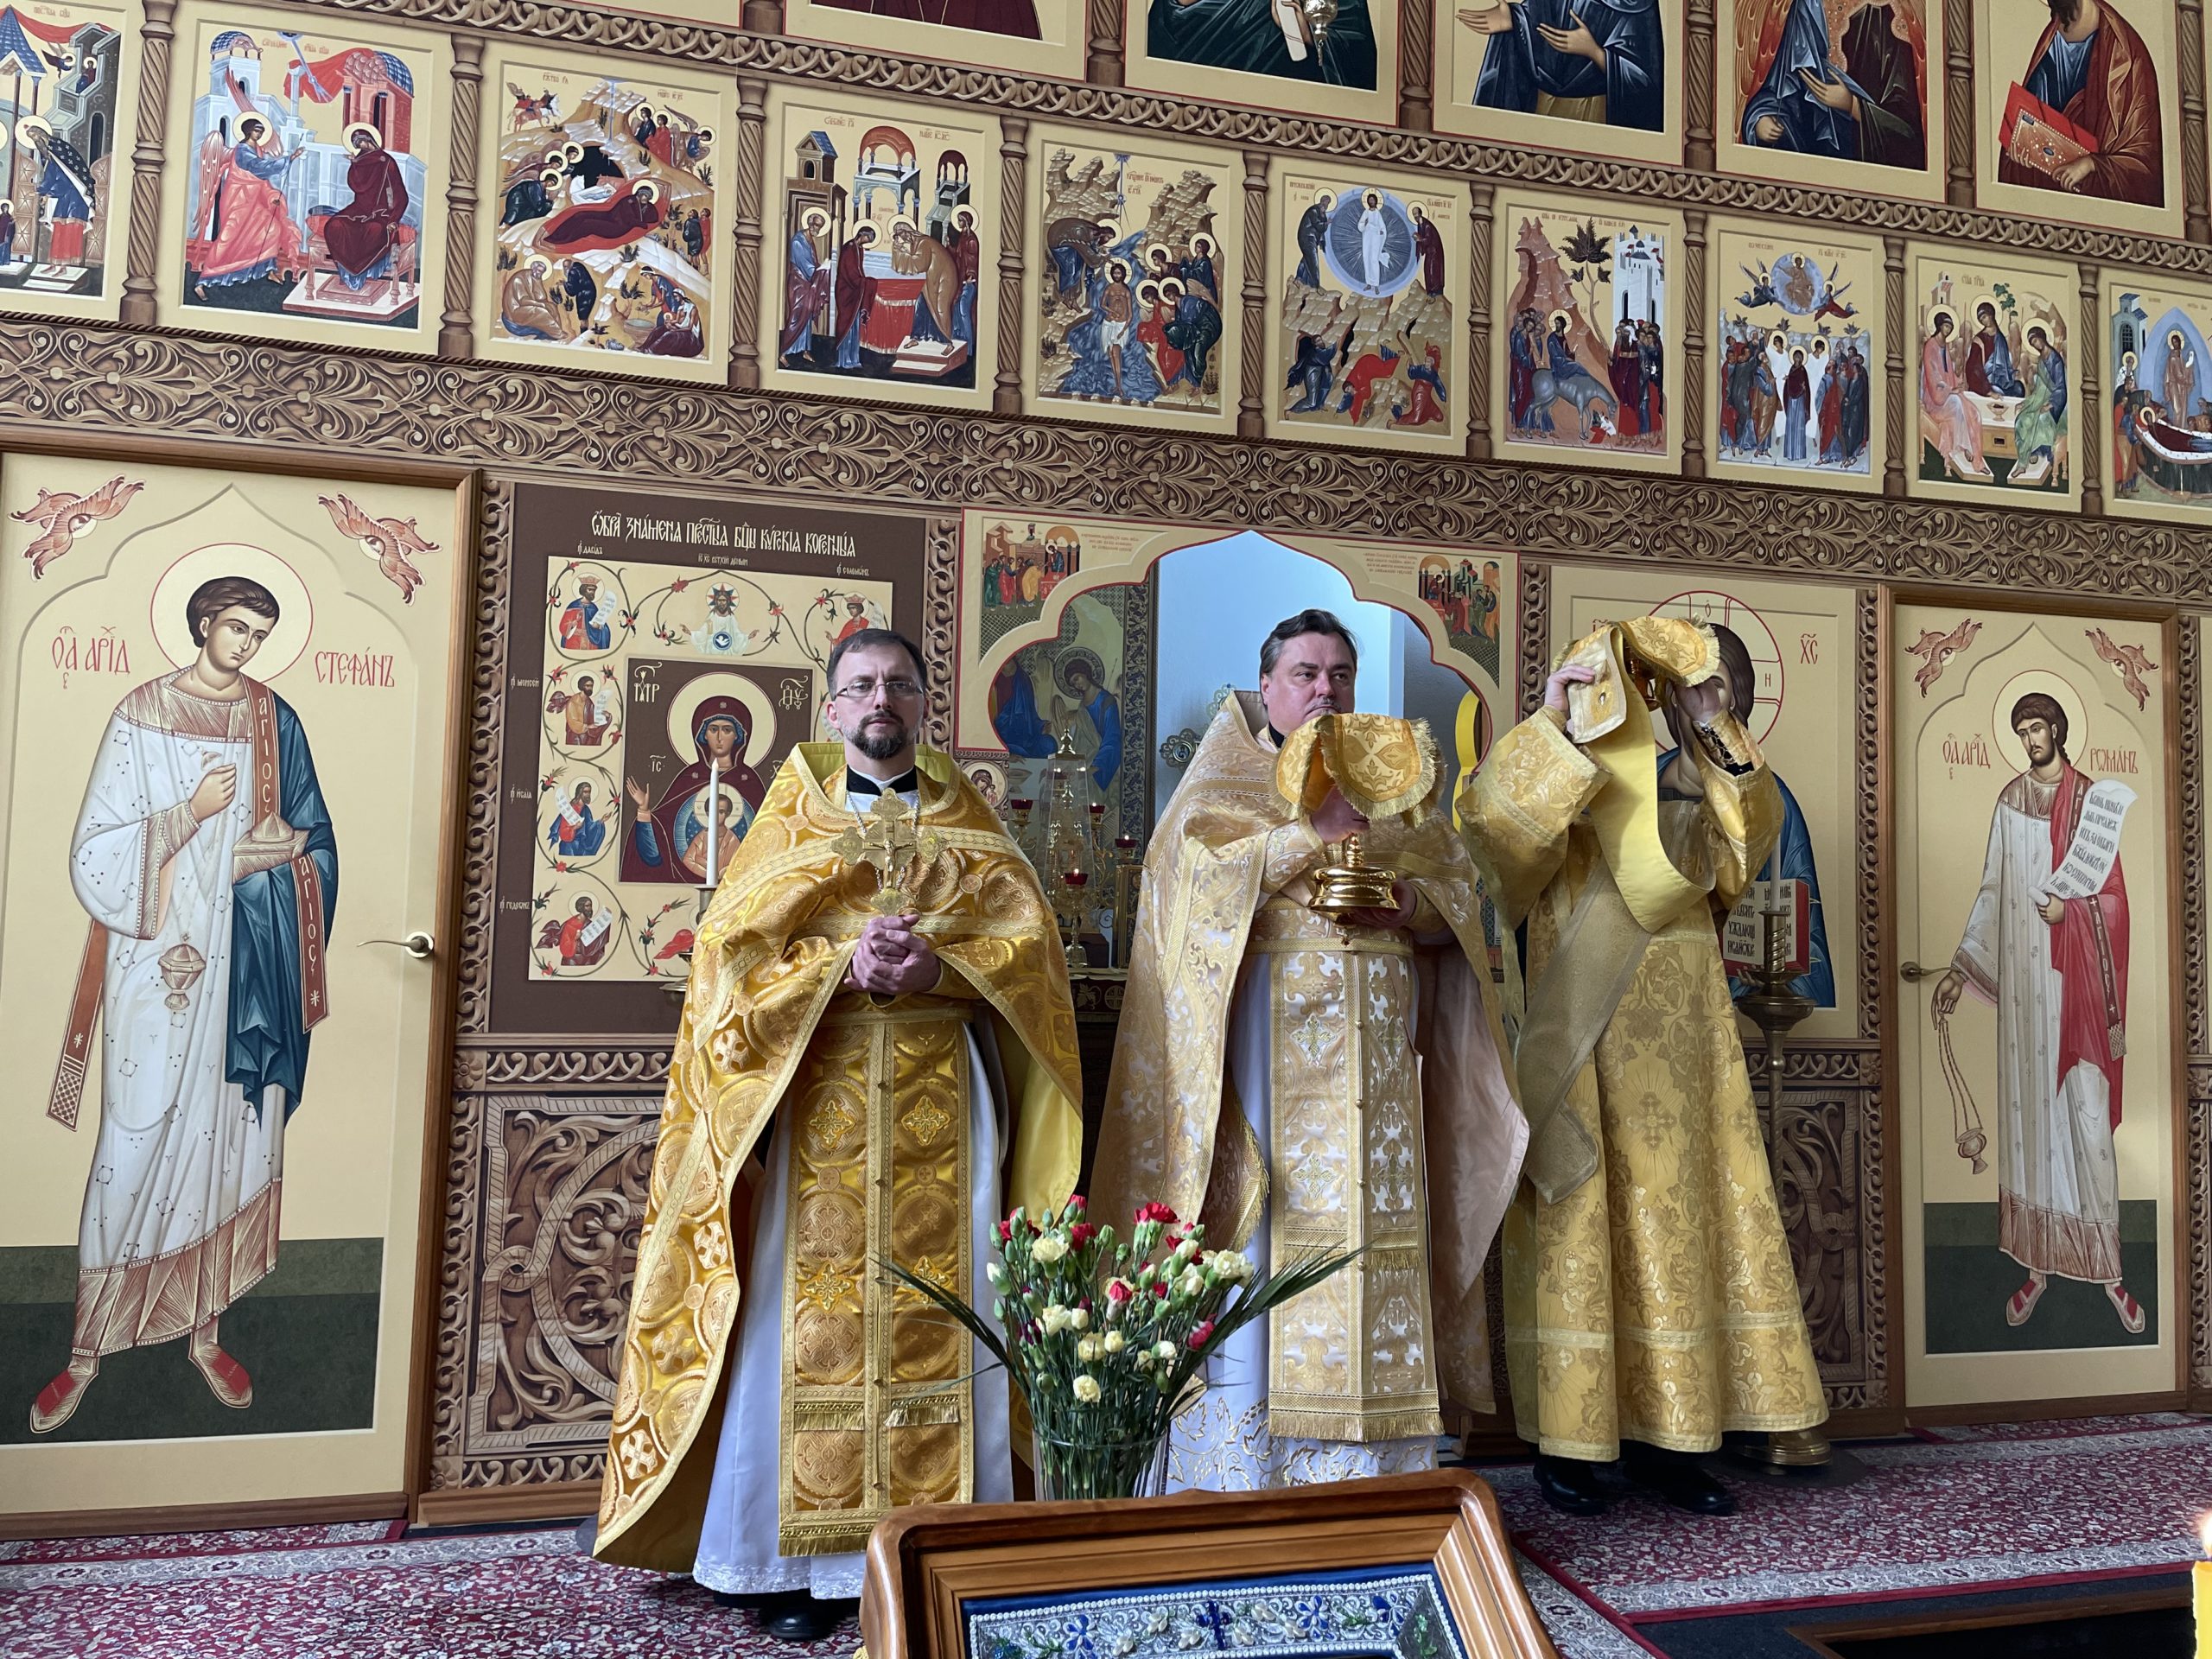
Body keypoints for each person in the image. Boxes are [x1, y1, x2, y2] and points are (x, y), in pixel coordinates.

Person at [593, 629, 1081, 1642]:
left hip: (947, 1094)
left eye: (898, 684)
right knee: (802, 1326)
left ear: (923, 705)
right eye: (860, 686)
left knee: (954, 1314)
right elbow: (730, 968)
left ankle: (944, 1552)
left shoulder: (970, 825)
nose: (880, 700)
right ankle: (797, 1568)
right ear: (832, 709)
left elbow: (1030, 956)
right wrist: (837, 967)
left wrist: (939, 968)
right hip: (821, 1099)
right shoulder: (788, 825)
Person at [1095, 609, 1529, 1491]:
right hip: (1266, 1077)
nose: (1325, 688)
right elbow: (1187, 893)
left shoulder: (1395, 786)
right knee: (1268, 1239)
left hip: (1381, 1081)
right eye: (1305, 673)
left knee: (1374, 1244)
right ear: (1266, 688)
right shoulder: (1223, 781)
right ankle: (1252, 1472)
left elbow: (1457, 898)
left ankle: (1374, 1470)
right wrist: (1310, 834)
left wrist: (1407, 907)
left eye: (1339, 673)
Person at [1459, 615, 1826, 1517]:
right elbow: (1495, 846)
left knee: (1677, 1230)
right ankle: (1571, 1446)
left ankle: (1674, 1441)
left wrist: (1709, 720)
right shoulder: (1554, 778)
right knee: (1581, 1221)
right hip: (1579, 1041)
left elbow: (1750, 849)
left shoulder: (1691, 782)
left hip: (1686, 1047)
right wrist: (1552, 721)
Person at [31, 577, 337, 1433]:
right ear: (203, 624)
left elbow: (314, 839)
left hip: (244, 973)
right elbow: (96, 852)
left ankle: (205, 1333)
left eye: (260, 634)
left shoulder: (275, 719)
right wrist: (189, 817)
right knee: (132, 1139)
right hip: (153, 964)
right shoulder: (140, 714)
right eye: (236, 627)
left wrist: (275, 858)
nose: (247, 645)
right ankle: (86, 1351)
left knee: (225, 1147)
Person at [1932, 693, 2142, 1334]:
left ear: (2057, 729)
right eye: (2021, 731)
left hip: (2075, 992)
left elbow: (2114, 900)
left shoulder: (2088, 803)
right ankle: (2036, 1268)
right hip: (2026, 997)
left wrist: (2069, 913)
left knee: (2087, 1119)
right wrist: (1959, 969)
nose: (2030, 740)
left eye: (2038, 728)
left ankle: (2110, 1272)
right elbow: (1992, 889)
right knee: (2030, 1128)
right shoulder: (2009, 801)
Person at [1996, 0, 2162, 208]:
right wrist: (2020, 154)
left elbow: (2143, 161)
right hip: (2049, 202)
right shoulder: (2050, 42)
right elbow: (2029, 126)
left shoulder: (2126, 55)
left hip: (2096, 210)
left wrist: (2091, 164)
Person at [1739, 0, 1926, 170]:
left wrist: (1852, 105)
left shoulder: (1883, 15)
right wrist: (1761, 118)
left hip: (1859, 175)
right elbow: (1781, 88)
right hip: (1804, 170)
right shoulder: (1804, 8)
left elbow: (1908, 135)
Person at [1465, 0, 1667, 131]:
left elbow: (1647, 84)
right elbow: (1540, 19)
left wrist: (1594, 52)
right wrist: (1514, 18)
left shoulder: (1635, 3)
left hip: (1596, 114)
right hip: (1542, 108)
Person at [621, 701, 766, 884]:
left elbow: (767, 835)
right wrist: (644, 810)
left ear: (738, 735)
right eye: (713, 729)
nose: (719, 737)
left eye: (727, 730)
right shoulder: (689, 778)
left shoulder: (749, 782)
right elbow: (658, 849)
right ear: (703, 734)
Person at [322, 124, 410, 292]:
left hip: (382, 211)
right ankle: (348, 274)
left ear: (369, 140)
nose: (359, 145)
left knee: (375, 230)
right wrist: (355, 164)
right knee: (334, 225)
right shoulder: (360, 162)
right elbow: (357, 184)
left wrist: (393, 218)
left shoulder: (386, 161)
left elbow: (400, 194)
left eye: (360, 141)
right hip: (360, 209)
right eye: (356, 143)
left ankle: (364, 274)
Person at [549, 783, 607, 857]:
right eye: (585, 792)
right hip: (568, 847)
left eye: (589, 792)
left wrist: (601, 821)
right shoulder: (569, 808)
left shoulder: (586, 809)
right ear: (580, 792)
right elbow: (562, 830)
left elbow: (589, 827)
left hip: (581, 846)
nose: (588, 794)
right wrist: (574, 827)